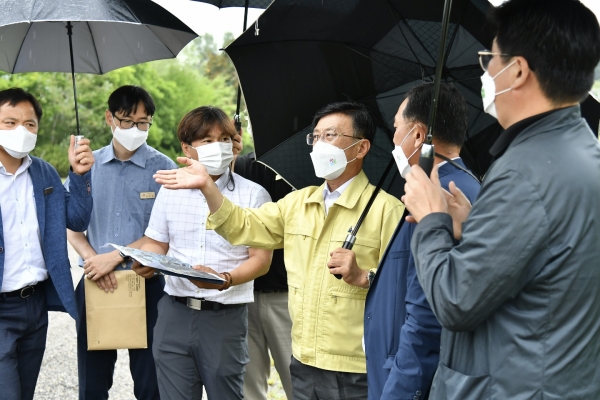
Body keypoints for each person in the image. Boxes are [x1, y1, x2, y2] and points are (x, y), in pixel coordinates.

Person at [402, 1, 600, 398]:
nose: (487, 73)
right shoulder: (581, 150)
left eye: (489, 60)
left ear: (519, 70)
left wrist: (431, 221)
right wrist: (474, 225)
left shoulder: (524, 173)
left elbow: (455, 300)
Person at [153, 102, 405, 399]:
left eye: (331, 135)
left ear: (361, 148)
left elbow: (404, 286)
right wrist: (209, 187)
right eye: (317, 137)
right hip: (303, 358)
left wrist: (364, 276)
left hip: (354, 364)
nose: (320, 145)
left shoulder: (388, 211)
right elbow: (242, 226)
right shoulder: (299, 203)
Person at [132, 106, 273, 400]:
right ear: (187, 148)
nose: (218, 147)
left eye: (224, 138)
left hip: (225, 317)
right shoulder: (170, 188)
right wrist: (145, 259)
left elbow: (260, 260)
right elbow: (158, 242)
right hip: (174, 312)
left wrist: (225, 278)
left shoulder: (253, 194)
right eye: (207, 141)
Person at [359, 83, 480, 400]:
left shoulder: (438, 200)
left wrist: (398, 392)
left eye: (397, 128)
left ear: (417, 136)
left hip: (408, 381)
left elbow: (426, 319)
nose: (394, 140)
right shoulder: (468, 189)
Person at [66, 85, 176, 400]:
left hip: (147, 282)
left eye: (144, 122)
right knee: (92, 383)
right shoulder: (86, 165)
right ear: (109, 118)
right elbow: (71, 225)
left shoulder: (164, 169)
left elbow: (167, 232)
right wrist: (93, 260)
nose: (135, 129)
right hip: (95, 281)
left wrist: (113, 258)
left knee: (150, 382)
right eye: (127, 121)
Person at [0, 87, 94, 400]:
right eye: (10, 123)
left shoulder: (44, 173)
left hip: (34, 306)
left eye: (30, 124)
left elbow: (78, 221)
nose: (21, 131)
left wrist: (80, 175)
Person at [234, 149, 294, 400]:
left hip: (288, 295)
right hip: (243, 293)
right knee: (247, 386)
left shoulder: (307, 164)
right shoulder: (243, 164)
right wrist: (230, 156)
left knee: (298, 381)